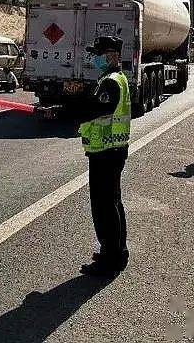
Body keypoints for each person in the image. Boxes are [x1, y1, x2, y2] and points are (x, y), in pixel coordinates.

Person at [78, 36, 131, 277]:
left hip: (106, 153)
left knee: (104, 206)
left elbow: (97, 110)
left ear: (111, 56)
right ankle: (117, 252)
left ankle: (110, 258)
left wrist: (69, 109)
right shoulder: (115, 79)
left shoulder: (110, 82)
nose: (94, 58)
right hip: (112, 151)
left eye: (98, 54)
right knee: (113, 202)